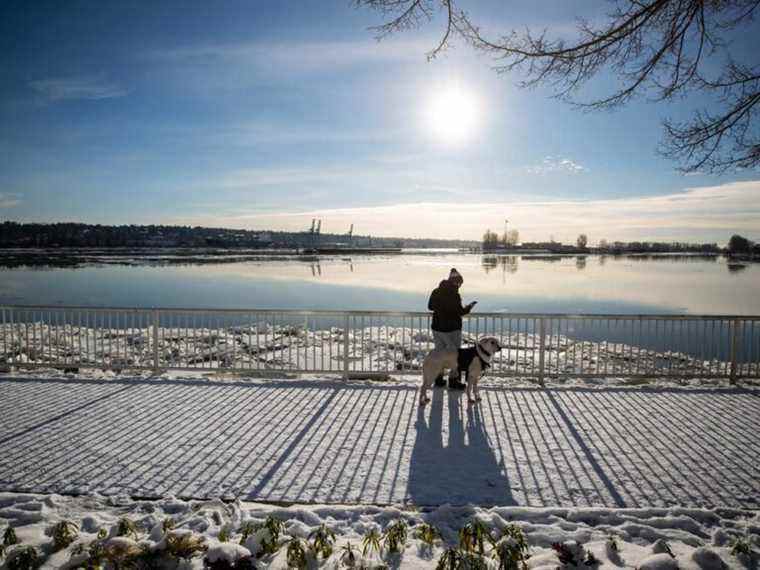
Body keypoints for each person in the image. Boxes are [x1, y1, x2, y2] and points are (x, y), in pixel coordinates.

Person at [427, 268, 477, 389]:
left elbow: (430, 306)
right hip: (451, 330)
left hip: (437, 329)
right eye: (459, 283)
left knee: (439, 353)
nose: (459, 285)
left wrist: (442, 309)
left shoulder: (436, 291)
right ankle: (453, 381)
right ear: (456, 282)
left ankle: (438, 379)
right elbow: (460, 311)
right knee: (454, 355)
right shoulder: (454, 295)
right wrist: (469, 307)